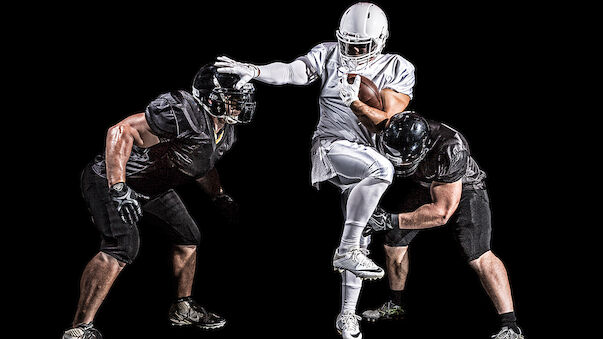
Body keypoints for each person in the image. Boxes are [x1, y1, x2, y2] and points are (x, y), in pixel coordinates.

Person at [214, 3, 415, 339]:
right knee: (381, 170)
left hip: (366, 155)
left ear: (380, 40)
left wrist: (356, 102)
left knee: (362, 235)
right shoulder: (328, 53)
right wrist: (256, 70)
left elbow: (388, 118)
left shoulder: (397, 66)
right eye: (346, 43)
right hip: (332, 147)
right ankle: (346, 250)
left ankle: (347, 315)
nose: (350, 51)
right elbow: (293, 71)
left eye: (359, 46)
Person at [61, 64, 257, 339]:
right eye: (234, 98)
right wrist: (118, 187)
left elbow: (202, 164)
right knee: (122, 246)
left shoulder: (225, 131)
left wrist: (218, 194)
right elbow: (120, 131)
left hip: (153, 186)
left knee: (189, 236)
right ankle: (79, 328)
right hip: (109, 177)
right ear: (211, 97)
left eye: (242, 97)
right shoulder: (184, 112)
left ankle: (182, 309)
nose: (241, 104)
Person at [362, 111, 525, 339]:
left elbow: (441, 213)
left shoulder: (451, 148)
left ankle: (510, 325)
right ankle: (395, 305)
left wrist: (388, 219)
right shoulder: (393, 127)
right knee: (393, 242)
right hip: (426, 182)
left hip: (464, 187)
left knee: (478, 253)